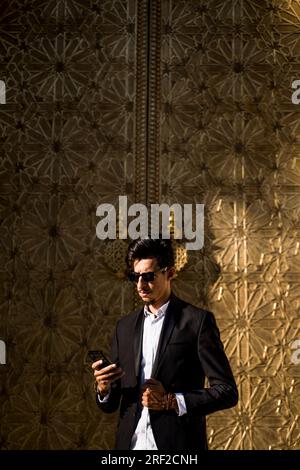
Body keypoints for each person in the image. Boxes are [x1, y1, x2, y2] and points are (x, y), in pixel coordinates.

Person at [92, 238, 238, 450]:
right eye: (136, 277)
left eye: (149, 276)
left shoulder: (197, 322)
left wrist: (171, 401)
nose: (141, 285)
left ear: (169, 273)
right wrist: (104, 388)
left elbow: (227, 392)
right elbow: (112, 404)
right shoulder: (123, 327)